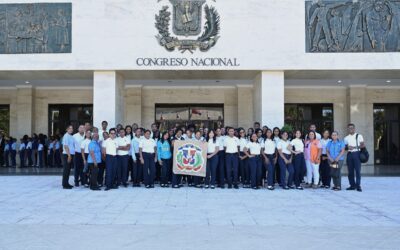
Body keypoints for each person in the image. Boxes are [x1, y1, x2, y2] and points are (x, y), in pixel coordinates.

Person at [344, 123, 365, 192]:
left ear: (354, 128)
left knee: (358, 171)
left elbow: (362, 145)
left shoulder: (359, 136)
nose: (351, 129)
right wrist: (347, 147)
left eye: (352, 128)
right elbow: (345, 147)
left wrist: (354, 147)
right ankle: (352, 185)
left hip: (357, 153)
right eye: (349, 128)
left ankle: (358, 185)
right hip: (349, 154)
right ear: (348, 129)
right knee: (350, 171)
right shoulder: (346, 138)